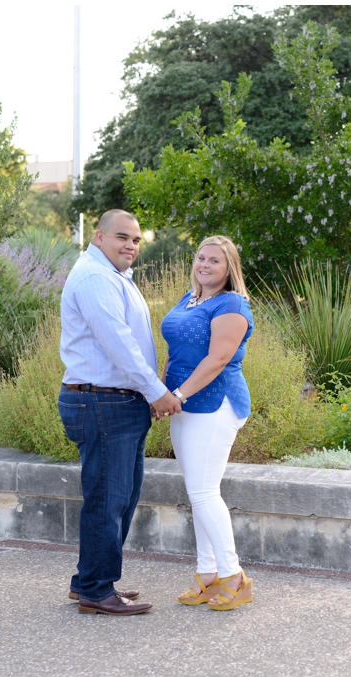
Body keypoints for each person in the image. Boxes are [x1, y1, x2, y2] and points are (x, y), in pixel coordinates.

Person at [58, 210, 183, 616]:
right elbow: (119, 344)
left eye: (136, 240)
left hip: (116, 401)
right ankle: (96, 588)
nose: (130, 245)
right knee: (108, 500)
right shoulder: (95, 278)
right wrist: (157, 392)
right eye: (121, 237)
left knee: (118, 497)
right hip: (103, 402)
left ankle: (89, 580)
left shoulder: (113, 277)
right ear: (98, 237)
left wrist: (147, 391)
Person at [161, 236, 255, 612]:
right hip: (182, 405)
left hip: (216, 405)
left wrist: (177, 395)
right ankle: (207, 575)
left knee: (203, 493)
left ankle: (235, 578)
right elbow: (174, 351)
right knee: (197, 493)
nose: (205, 265)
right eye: (201, 257)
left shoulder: (232, 303)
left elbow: (217, 360)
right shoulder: (189, 298)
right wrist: (161, 394)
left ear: (229, 268)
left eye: (214, 260)